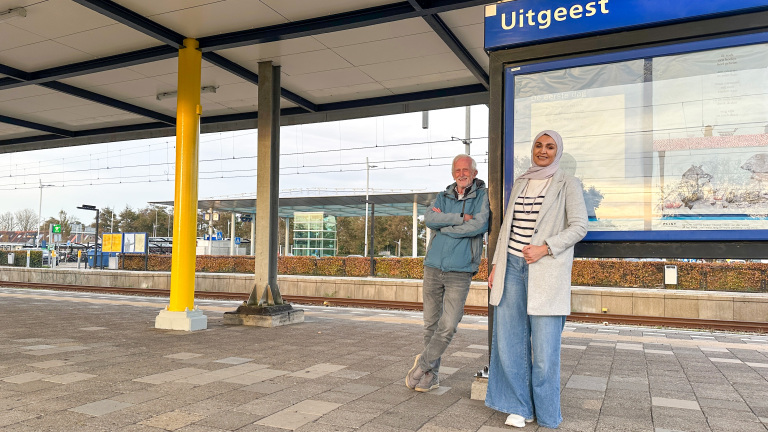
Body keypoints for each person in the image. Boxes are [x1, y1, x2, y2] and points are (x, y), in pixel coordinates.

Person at [485, 130, 587, 429]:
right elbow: (507, 228)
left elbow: (580, 227)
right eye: (539, 146)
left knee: (545, 350)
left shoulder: (568, 183)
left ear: (558, 151)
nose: (543, 151)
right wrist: (496, 265)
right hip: (511, 269)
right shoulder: (522, 181)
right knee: (510, 342)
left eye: (550, 146)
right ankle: (520, 406)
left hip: (546, 270)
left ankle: (546, 413)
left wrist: (546, 248)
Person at [405, 154, 490, 392]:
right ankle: (431, 376)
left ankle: (422, 365)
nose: (461, 174)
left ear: (474, 173)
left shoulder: (482, 196)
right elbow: (430, 218)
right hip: (433, 266)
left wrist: (446, 229)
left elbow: (480, 225)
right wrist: (461, 218)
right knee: (431, 325)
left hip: (460, 270)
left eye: (466, 170)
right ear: (453, 173)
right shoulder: (443, 196)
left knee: (449, 325)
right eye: (457, 170)